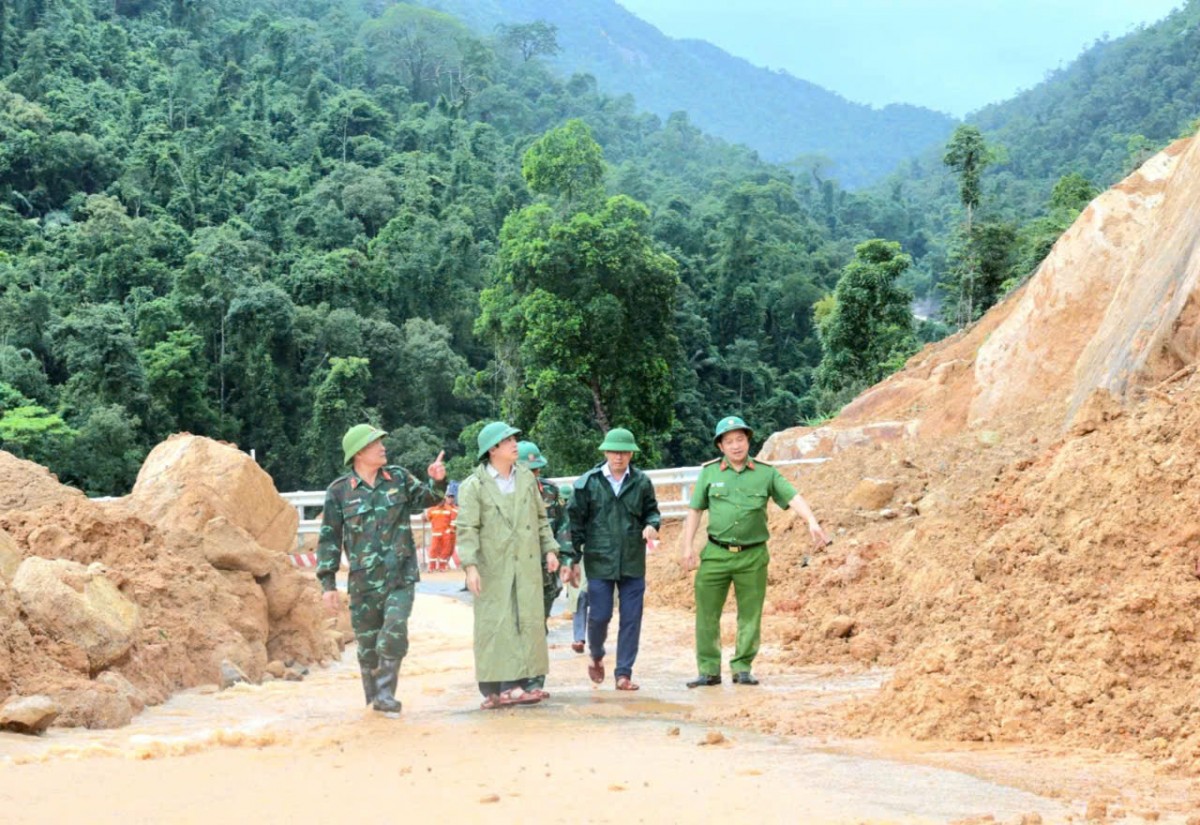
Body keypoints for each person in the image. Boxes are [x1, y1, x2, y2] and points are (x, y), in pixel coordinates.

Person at [679, 415, 829, 688]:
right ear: (720, 446)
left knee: (750, 613)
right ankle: (709, 670)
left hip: (752, 556)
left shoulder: (766, 473)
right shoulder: (709, 473)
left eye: (740, 439)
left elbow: (792, 496)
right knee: (707, 613)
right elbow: (695, 510)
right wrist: (687, 546)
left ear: (748, 441)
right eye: (729, 441)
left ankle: (742, 667)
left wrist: (812, 521)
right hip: (715, 554)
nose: (735, 446)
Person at [317, 424, 447, 714]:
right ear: (360, 452)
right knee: (367, 646)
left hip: (400, 576)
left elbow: (430, 499)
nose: (383, 447)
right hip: (364, 582)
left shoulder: (398, 478)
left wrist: (438, 481)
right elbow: (329, 540)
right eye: (376, 443)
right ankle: (373, 702)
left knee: (394, 630)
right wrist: (327, 586)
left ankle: (386, 694)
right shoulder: (339, 492)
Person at [456, 421, 561, 709]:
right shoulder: (474, 486)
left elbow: (541, 519)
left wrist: (550, 550)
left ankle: (520, 684)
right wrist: (471, 566)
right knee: (497, 624)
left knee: (526, 621)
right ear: (492, 449)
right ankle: (495, 688)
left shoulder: (526, 479)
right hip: (493, 566)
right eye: (508, 441)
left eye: (515, 438)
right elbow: (467, 529)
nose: (515, 444)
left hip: (525, 565)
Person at [568, 427, 661, 691]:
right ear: (605, 452)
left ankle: (624, 673)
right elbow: (575, 524)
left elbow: (651, 512)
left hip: (632, 560)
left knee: (632, 618)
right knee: (600, 615)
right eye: (613, 451)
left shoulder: (641, 482)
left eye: (623, 452)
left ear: (631, 453)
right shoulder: (588, 483)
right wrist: (572, 559)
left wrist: (652, 525)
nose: (618, 457)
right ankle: (596, 654)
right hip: (599, 561)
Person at [424, 490, 458, 572]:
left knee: (445, 551)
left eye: (451, 497)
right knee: (433, 550)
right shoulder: (432, 509)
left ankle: (442, 567)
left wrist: (450, 530)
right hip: (436, 533)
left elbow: (453, 520)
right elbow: (427, 518)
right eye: (448, 497)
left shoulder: (450, 509)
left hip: (446, 533)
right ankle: (431, 567)